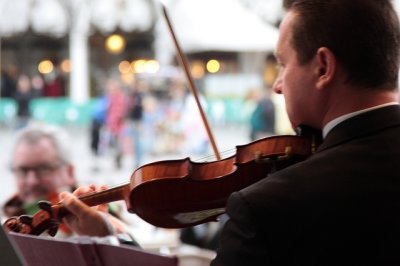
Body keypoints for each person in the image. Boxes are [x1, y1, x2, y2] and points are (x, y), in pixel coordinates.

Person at [57, 0, 400, 264]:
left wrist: (113, 242)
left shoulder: (269, 206)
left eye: (282, 64)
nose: (278, 85)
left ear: (323, 67)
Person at [2, 125, 77, 237]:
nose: (32, 181)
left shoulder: (95, 222)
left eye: (43, 169)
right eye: (23, 170)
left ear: (69, 172)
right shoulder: (6, 221)